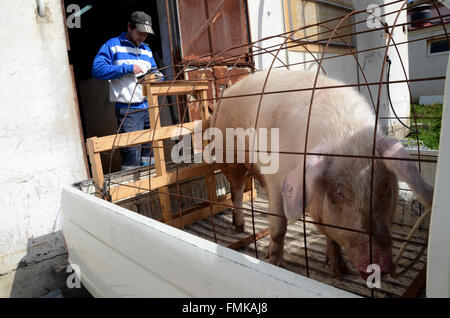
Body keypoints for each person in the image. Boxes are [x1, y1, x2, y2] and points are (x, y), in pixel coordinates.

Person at [92, 11, 161, 170]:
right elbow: (97, 69)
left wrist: (158, 77)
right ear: (129, 27)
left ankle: (151, 188)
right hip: (129, 110)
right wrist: (127, 68)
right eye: (140, 33)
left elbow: (155, 71)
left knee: (151, 151)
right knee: (132, 153)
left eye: (146, 34)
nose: (143, 37)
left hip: (149, 107)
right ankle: (133, 191)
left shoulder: (146, 50)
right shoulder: (113, 46)